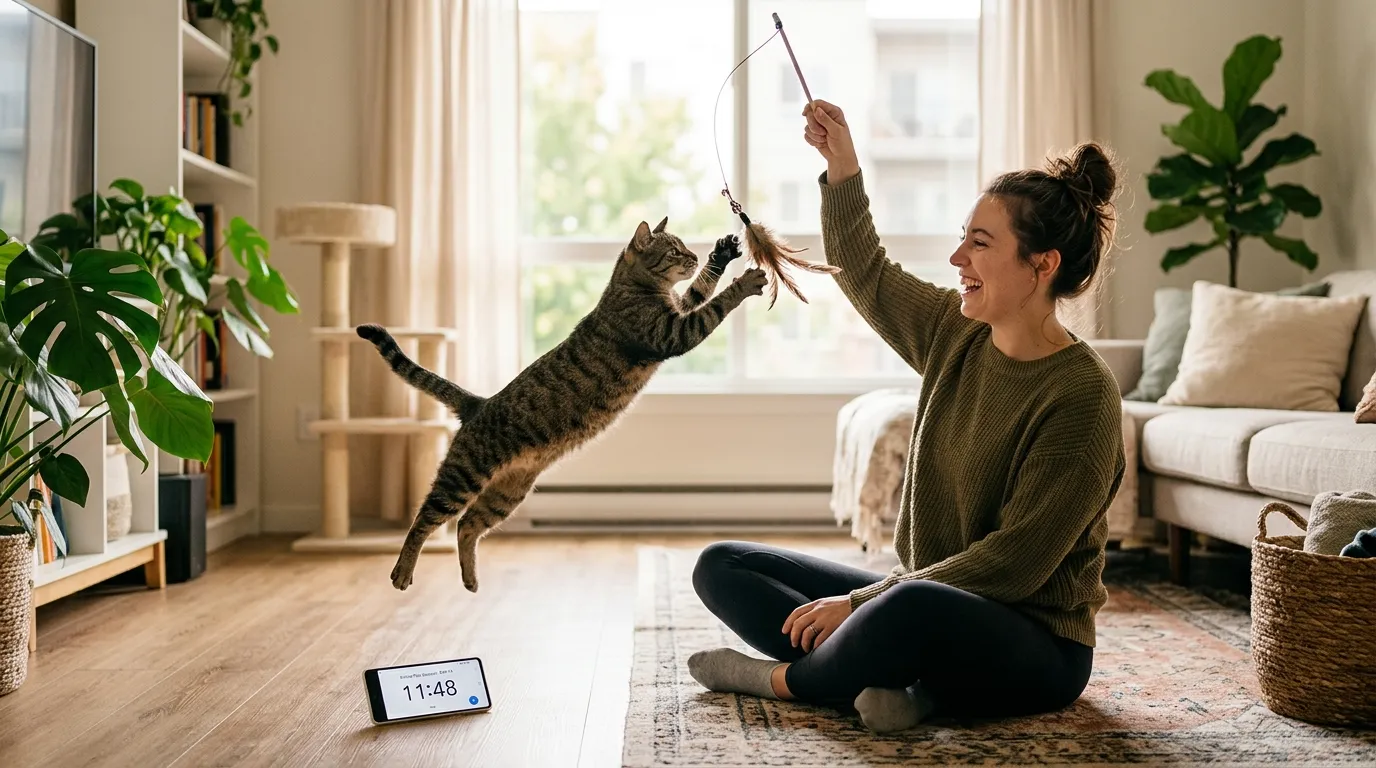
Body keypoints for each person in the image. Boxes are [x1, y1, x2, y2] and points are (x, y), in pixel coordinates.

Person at [686, 99, 1127, 733]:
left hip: (1036, 645)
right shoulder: (956, 331)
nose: (957, 260)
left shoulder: (1082, 395)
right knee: (723, 564)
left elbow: (1015, 564)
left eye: (979, 244)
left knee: (908, 604)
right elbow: (864, 272)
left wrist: (863, 603)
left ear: (1042, 264)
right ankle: (905, 684)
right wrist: (842, 167)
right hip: (921, 597)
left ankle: (788, 683)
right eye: (961, 241)